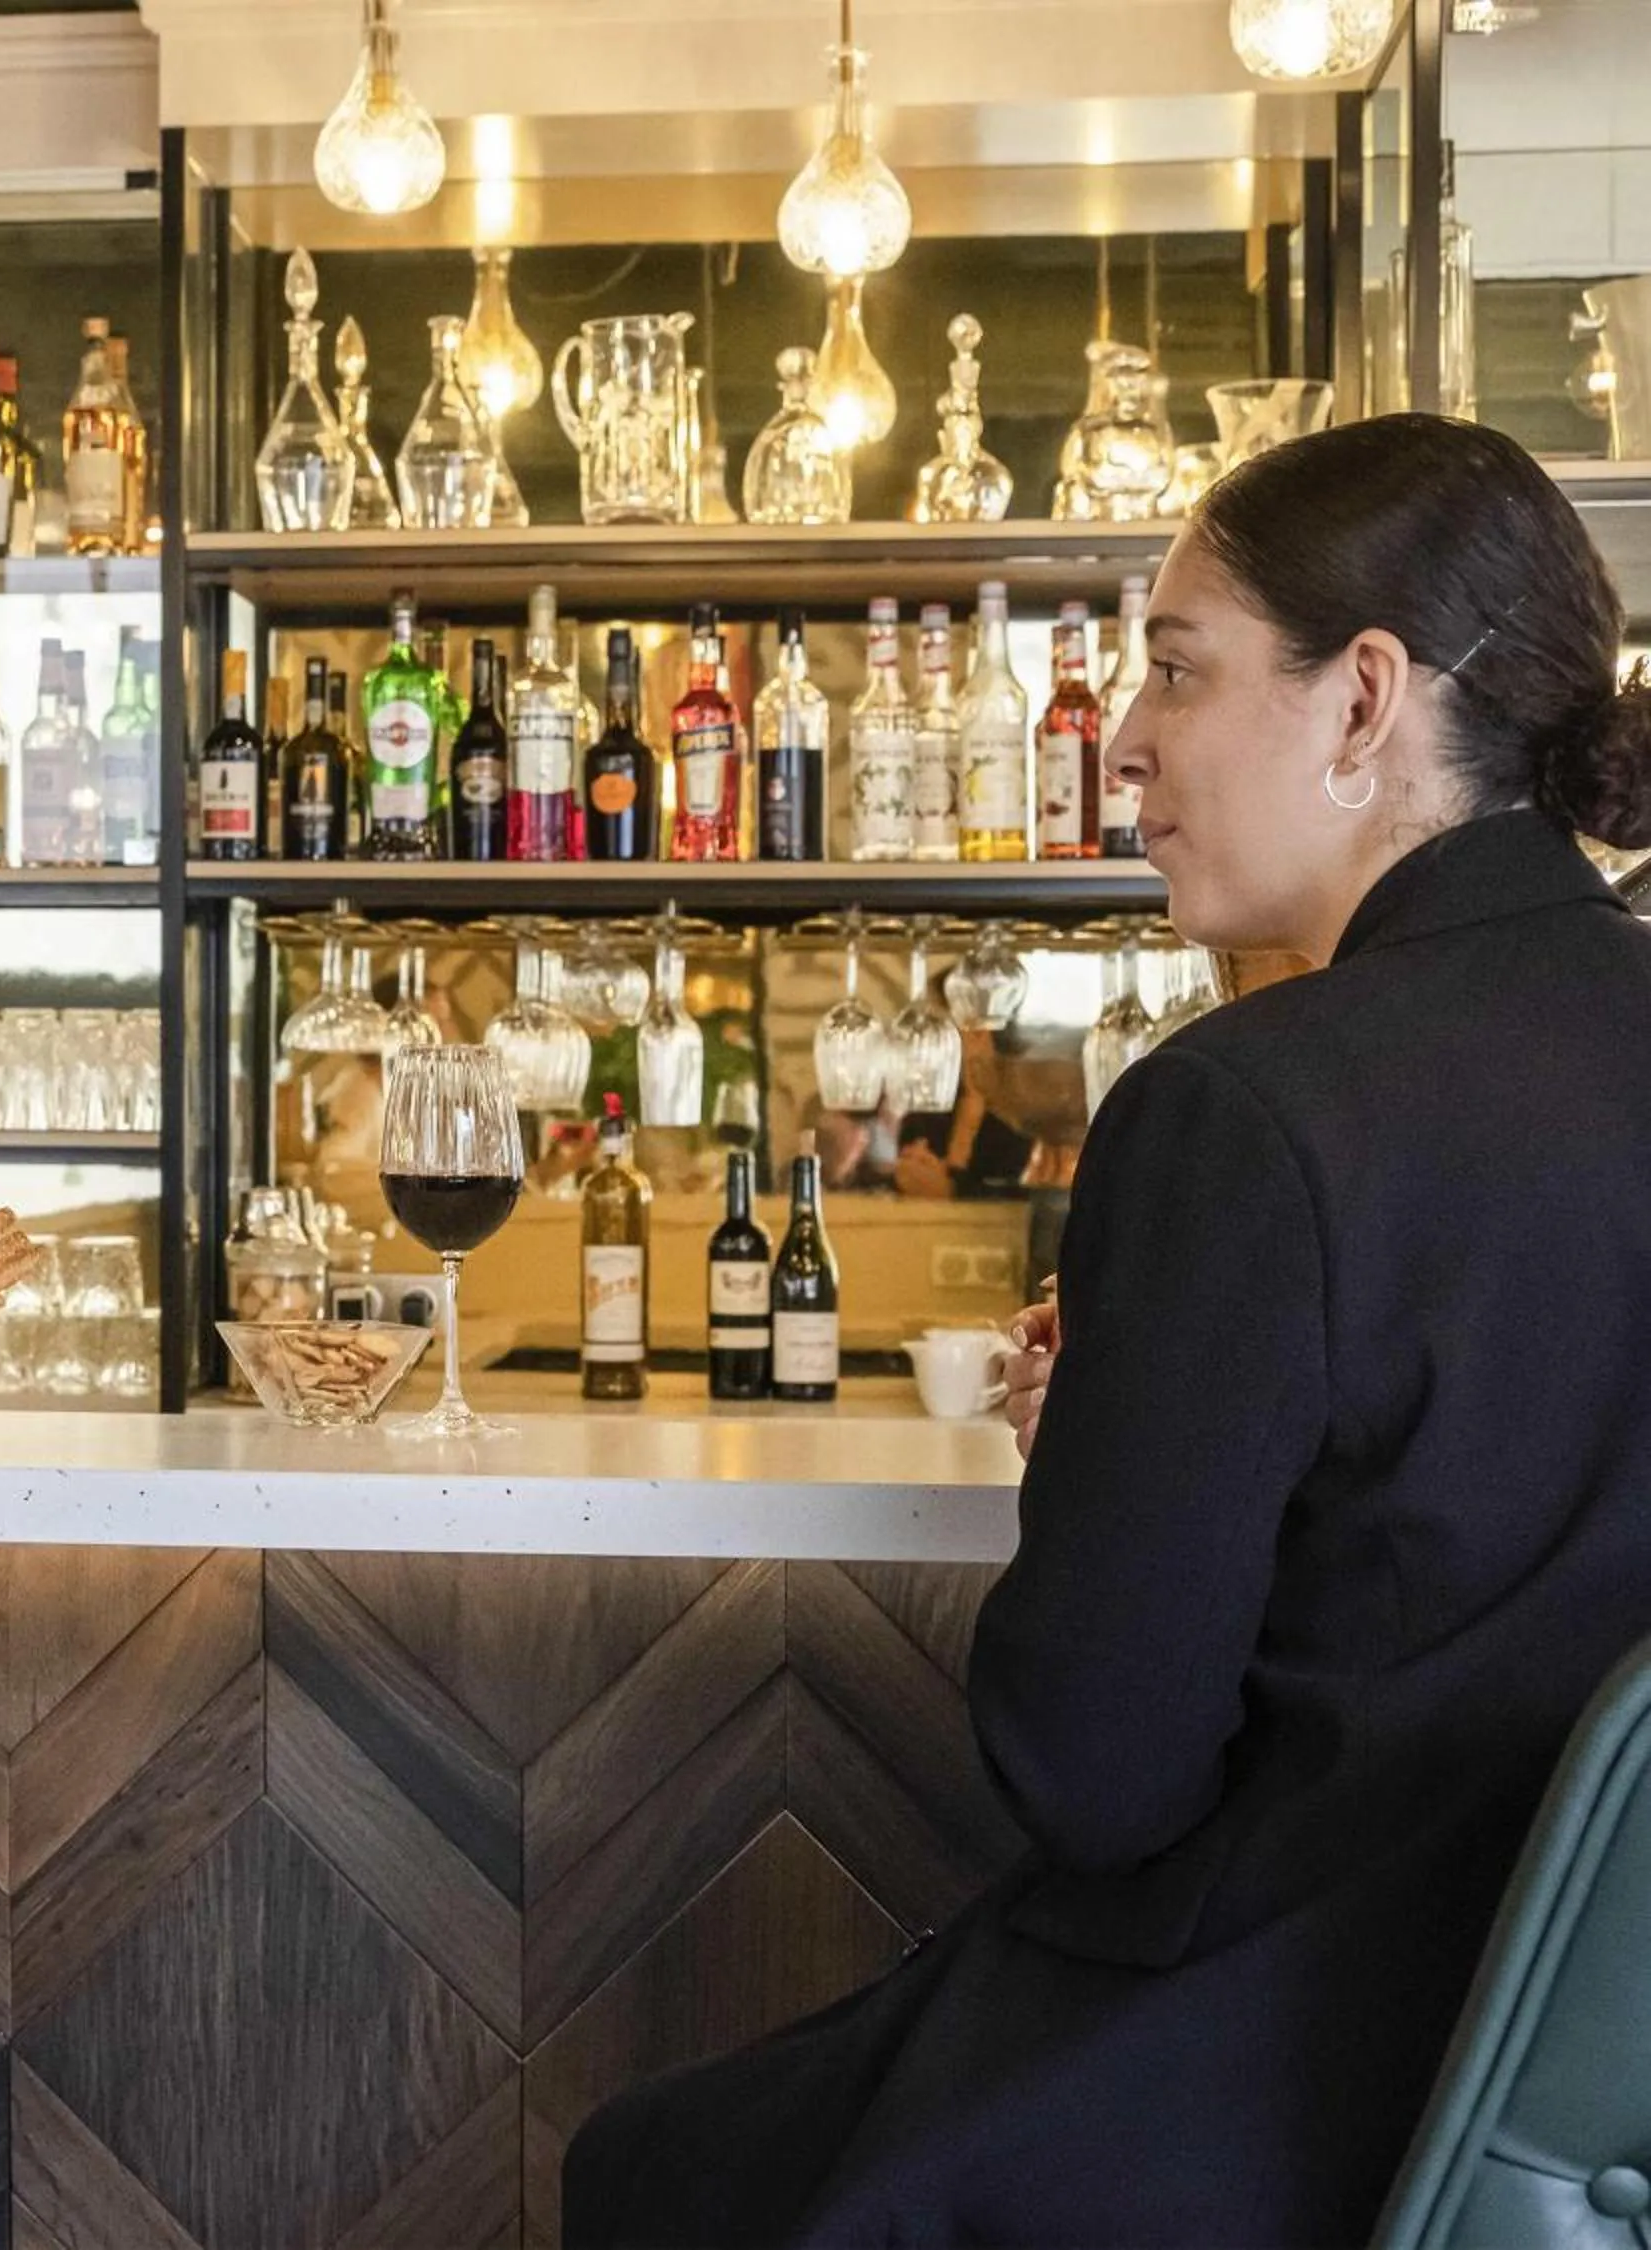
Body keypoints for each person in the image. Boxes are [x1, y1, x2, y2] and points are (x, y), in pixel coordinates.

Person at [562, 412, 1651, 2247]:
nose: (1126, 742)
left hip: (1286, 2067)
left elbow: (1094, 1771)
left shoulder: (1252, 1107)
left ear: (1364, 699)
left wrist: (1095, 1450)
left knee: (650, 2172)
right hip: (1563, 2106)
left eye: (1177, 666)